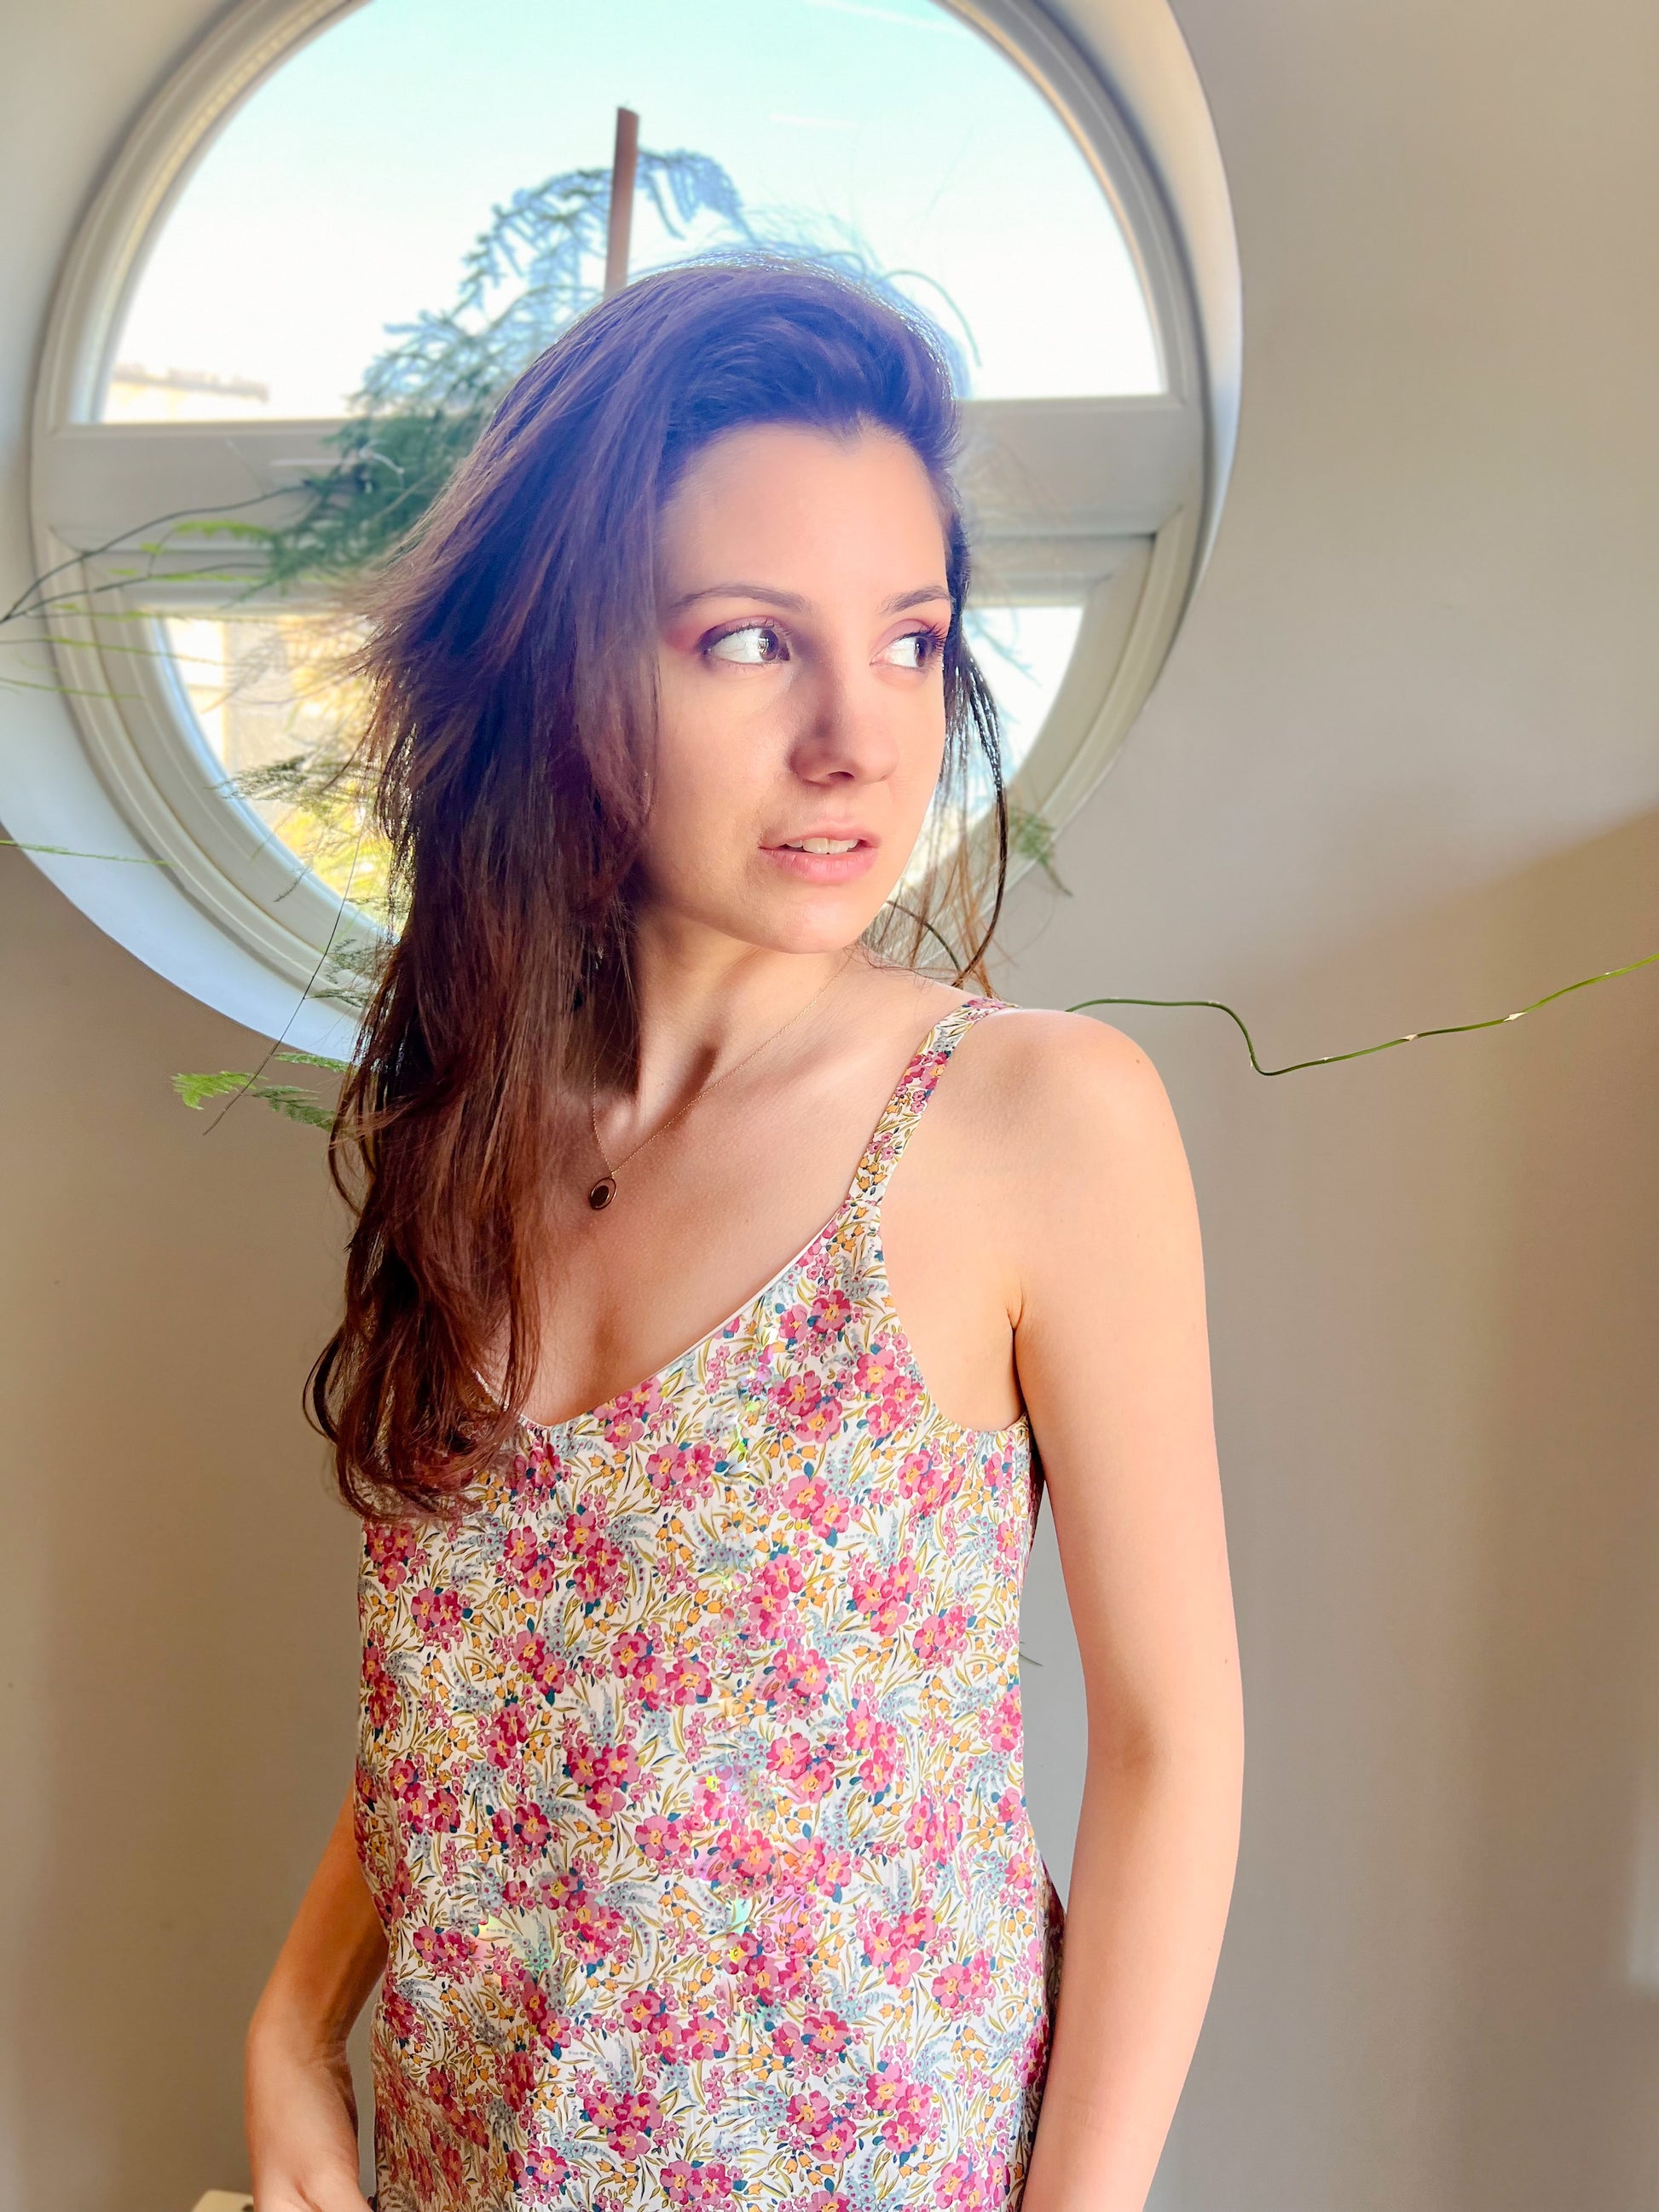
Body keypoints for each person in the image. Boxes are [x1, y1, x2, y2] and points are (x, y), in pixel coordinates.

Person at [245, 257, 1242, 2212]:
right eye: (747, 640)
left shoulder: (1034, 1120)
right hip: (462, 2159)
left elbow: (1170, 1748)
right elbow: (483, 1696)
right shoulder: (478, 1128)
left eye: (910, 639)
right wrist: (292, 2019)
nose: (856, 737)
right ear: (563, 666)